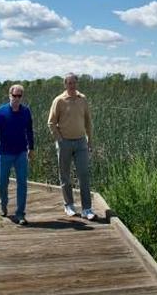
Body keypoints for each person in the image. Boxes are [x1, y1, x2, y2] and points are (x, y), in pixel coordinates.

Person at [47, 72, 96, 221]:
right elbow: (51, 123)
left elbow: (88, 121)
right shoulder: (59, 100)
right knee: (65, 176)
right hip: (65, 143)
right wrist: (59, 140)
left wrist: (90, 139)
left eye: (74, 83)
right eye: (69, 83)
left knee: (84, 175)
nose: (72, 85)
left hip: (81, 142)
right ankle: (69, 205)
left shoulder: (83, 99)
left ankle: (87, 209)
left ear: (77, 83)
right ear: (65, 84)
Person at [0, 83, 34, 225]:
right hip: (4, 153)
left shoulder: (26, 112)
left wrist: (31, 148)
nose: (17, 98)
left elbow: (29, 131)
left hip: (21, 153)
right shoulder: (2, 111)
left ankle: (20, 214)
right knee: (1, 184)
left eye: (19, 96)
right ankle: (3, 204)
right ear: (9, 95)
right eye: (14, 95)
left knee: (22, 184)